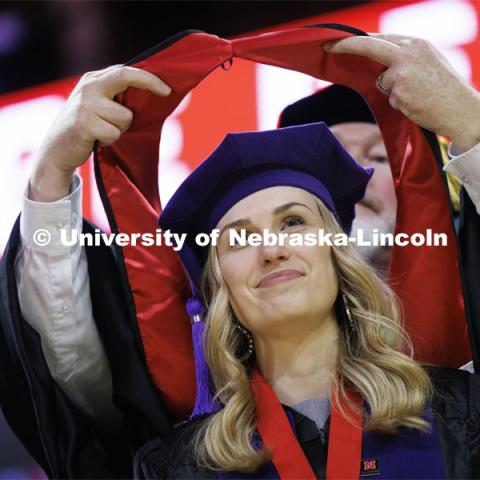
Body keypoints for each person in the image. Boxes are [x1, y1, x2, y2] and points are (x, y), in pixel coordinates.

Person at [2, 31, 480, 477]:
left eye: (294, 222)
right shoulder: (176, 463)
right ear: (215, 288)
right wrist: (49, 174)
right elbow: (72, 361)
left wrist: (469, 122)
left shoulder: (462, 405)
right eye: (239, 238)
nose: (271, 248)